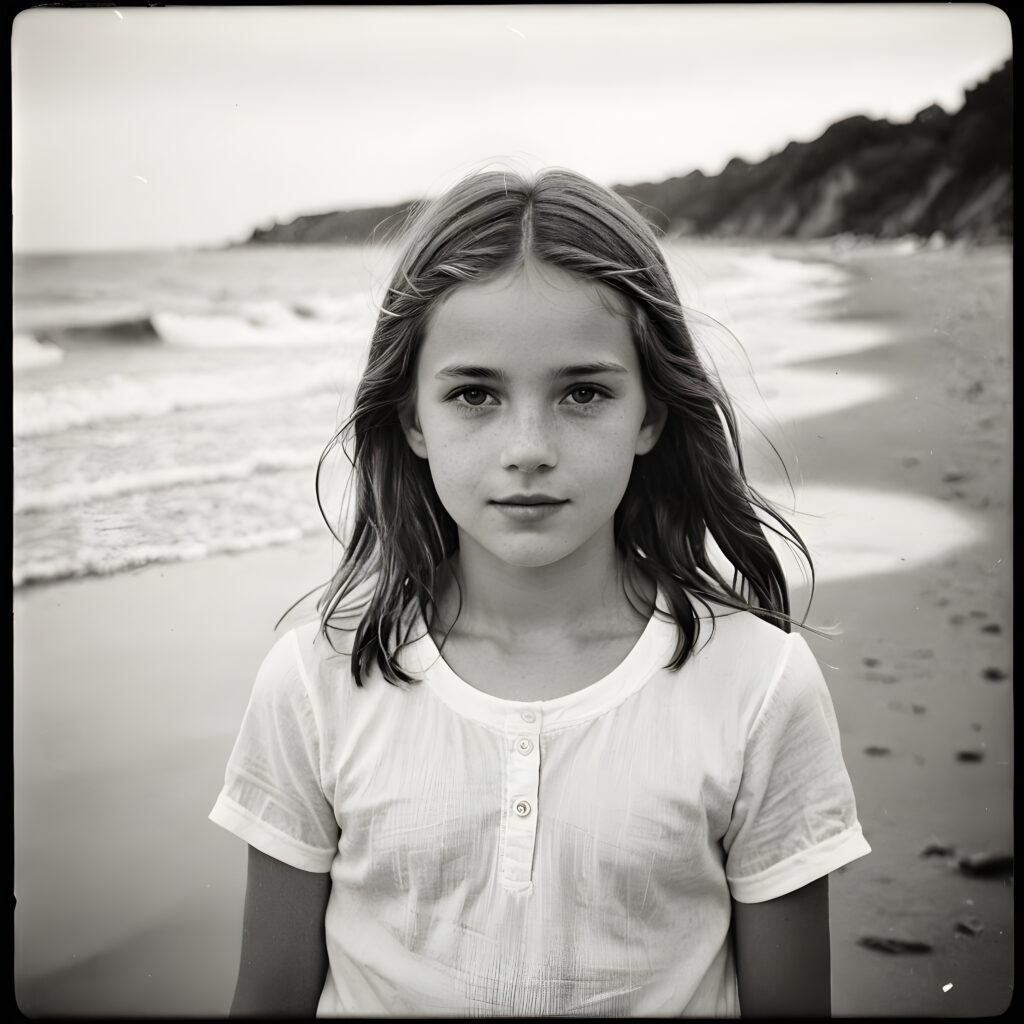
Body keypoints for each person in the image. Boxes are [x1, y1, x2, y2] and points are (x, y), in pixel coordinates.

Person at [210, 166, 870, 1017]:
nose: (528, 446)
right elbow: (266, 998)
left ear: (651, 414)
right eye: (474, 394)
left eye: (583, 392)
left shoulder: (759, 683)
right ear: (413, 418)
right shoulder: (318, 680)